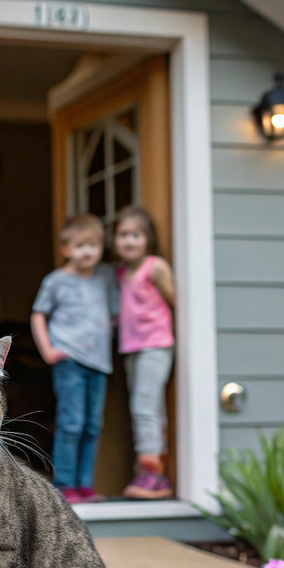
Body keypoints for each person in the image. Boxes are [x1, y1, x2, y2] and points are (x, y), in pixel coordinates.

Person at [31, 213, 118, 503]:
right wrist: (47, 349)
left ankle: (85, 485)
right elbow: (39, 314)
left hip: (99, 363)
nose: (88, 251)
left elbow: (117, 312)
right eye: (80, 245)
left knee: (93, 425)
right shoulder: (56, 281)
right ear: (66, 249)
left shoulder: (105, 277)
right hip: (69, 360)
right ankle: (65, 485)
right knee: (72, 423)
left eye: (93, 245)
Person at [114, 205, 176, 499]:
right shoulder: (123, 272)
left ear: (147, 238)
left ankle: (153, 474)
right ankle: (152, 470)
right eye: (123, 234)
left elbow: (176, 300)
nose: (128, 241)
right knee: (146, 408)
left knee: (145, 407)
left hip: (156, 345)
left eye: (135, 235)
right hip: (132, 348)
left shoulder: (156, 266)